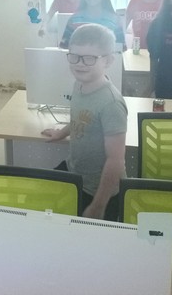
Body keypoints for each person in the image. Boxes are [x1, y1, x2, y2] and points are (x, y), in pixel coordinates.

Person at [42, 24, 127, 221]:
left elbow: (116, 161)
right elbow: (79, 117)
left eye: (89, 58)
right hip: (76, 173)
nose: (80, 64)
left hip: (100, 191)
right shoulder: (79, 84)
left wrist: (98, 205)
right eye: (75, 56)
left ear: (108, 60)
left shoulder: (111, 103)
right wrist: (61, 133)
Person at [58, 0, 125, 49]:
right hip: (79, 57)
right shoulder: (74, 20)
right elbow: (64, 48)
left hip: (106, 57)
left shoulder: (115, 20)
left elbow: (121, 49)